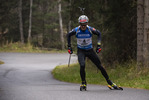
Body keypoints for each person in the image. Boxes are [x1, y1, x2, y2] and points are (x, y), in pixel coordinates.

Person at [67, 15, 118, 90]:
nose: (83, 26)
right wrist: (69, 47)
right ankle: (83, 83)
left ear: (87, 23)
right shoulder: (76, 30)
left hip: (90, 50)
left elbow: (99, 33)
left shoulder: (90, 29)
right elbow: (68, 35)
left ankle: (110, 82)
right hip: (81, 51)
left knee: (100, 66)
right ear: (79, 24)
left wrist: (99, 45)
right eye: (81, 25)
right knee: (82, 65)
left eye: (84, 25)